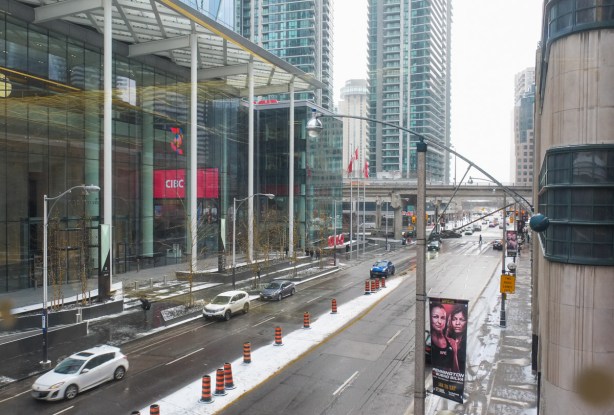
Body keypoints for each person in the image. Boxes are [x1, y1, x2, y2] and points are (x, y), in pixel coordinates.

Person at [429, 303, 454, 370]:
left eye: (443, 318)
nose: (439, 322)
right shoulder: (428, 341)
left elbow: (455, 368)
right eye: (435, 317)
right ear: (430, 318)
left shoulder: (450, 342)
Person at [446, 304, 468, 373]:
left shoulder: (466, 342)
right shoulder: (448, 339)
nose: (457, 323)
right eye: (454, 319)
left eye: (462, 320)